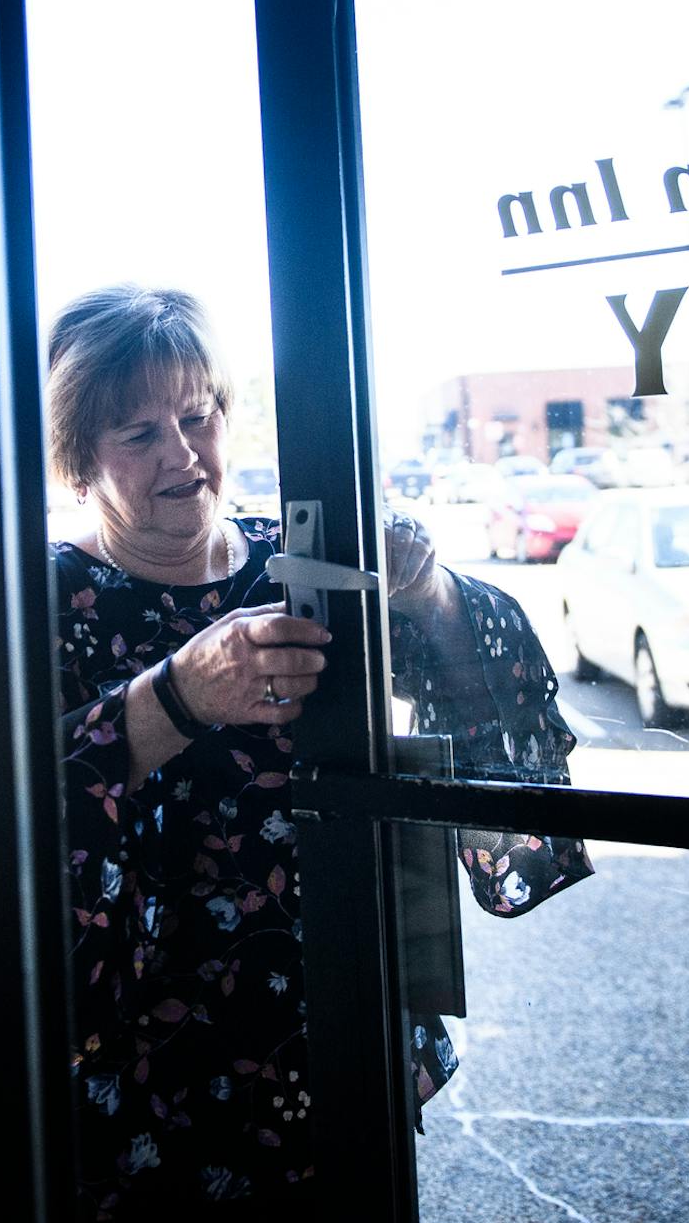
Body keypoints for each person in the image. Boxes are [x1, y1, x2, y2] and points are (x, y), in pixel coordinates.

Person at [53, 285, 592, 1219]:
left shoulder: (297, 562)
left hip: (337, 1022)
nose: (183, 454)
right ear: (78, 456)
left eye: (197, 416)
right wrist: (178, 695)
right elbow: (5, 813)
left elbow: (489, 678)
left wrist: (429, 590)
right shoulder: (45, 600)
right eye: (139, 434)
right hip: (143, 1055)